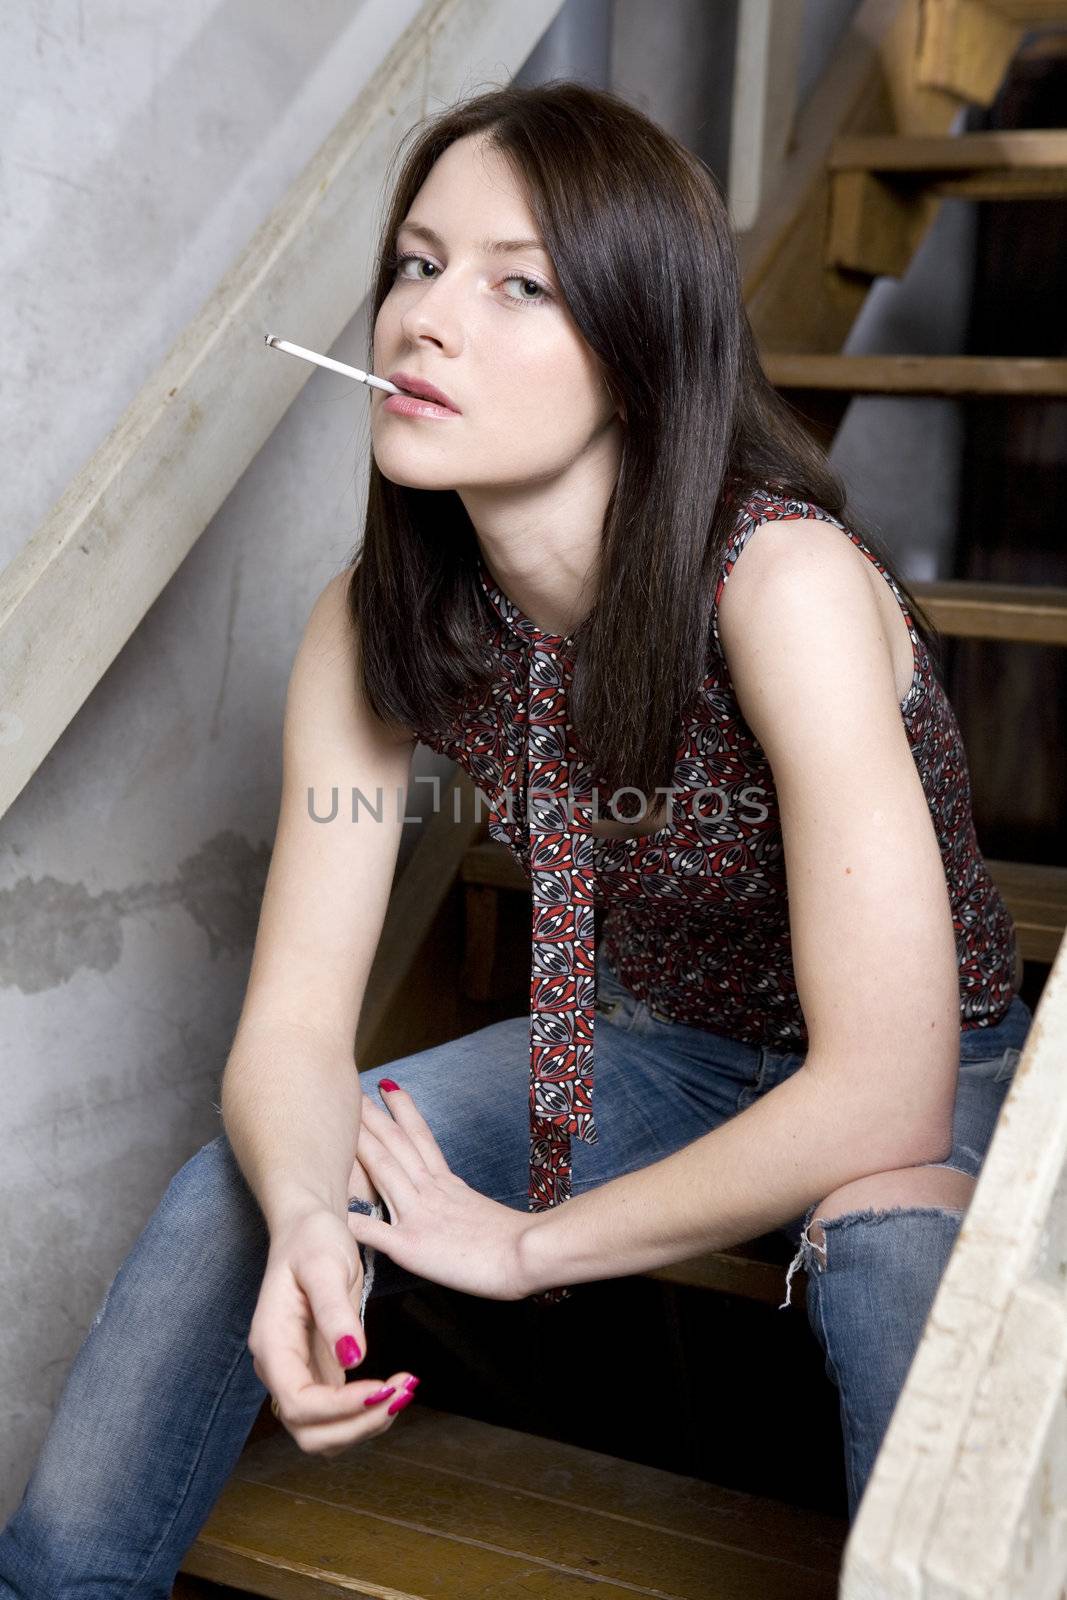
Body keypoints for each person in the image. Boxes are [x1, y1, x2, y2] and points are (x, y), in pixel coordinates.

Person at [0, 79, 1031, 1594]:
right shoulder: (376, 616)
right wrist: (308, 1215)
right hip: (660, 1044)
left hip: (938, 1065)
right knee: (262, 1166)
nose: (424, 319)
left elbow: (886, 1083)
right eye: (416, 264)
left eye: (518, 284)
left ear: (641, 352)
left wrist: (525, 1248)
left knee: (887, 1239)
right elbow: (290, 1027)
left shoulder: (778, 583)